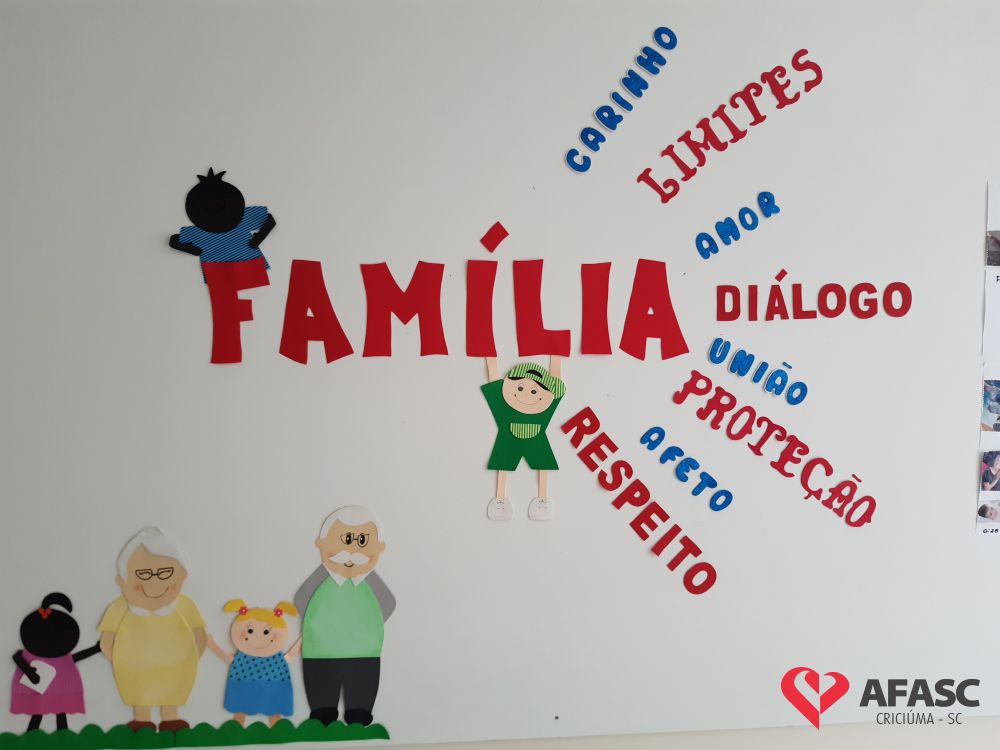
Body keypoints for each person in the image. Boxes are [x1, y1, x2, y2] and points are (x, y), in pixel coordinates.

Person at [288, 506, 395, 728]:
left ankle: (359, 711)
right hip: (323, 647)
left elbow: (387, 603)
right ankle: (323, 710)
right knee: (322, 681)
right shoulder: (321, 578)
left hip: (362, 648)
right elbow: (302, 599)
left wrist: (364, 627)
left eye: (362, 541)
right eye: (344, 540)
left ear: (379, 547)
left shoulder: (370, 581)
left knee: (362, 682)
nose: (351, 549)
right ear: (321, 543)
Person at [97, 527, 206, 732]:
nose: (155, 580)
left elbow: (200, 635)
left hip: (176, 668)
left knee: (172, 690)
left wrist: (190, 657)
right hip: (135, 670)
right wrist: (121, 660)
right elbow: (106, 639)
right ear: (123, 580)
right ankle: (142, 719)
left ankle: (170, 718)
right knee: (140, 692)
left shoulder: (184, 605)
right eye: (143, 574)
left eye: (165, 572)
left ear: (182, 575)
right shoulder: (121, 607)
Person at [481, 356, 566, 521]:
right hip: (508, 440)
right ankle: (500, 500)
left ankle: (542, 500)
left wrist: (556, 358)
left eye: (534, 391)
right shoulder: (503, 403)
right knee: (504, 463)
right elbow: (494, 386)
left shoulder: (547, 405)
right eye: (520, 387)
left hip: (536, 441)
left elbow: (558, 387)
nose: (526, 394)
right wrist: (489, 357)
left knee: (541, 463)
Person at [10, 593, 101, 732]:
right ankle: (35, 735)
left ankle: (57, 736)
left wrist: (96, 649)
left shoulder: (61, 658)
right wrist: (29, 672)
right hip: (46, 689)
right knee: (40, 709)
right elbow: (17, 657)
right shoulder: (33, 655)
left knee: (58, 709)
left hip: (58, 688)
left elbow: (78, 656)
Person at [168, 168, 276, 280]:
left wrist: (259, 239)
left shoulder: (244, 217)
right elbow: (174, 241)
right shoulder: (197, 232)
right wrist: (256, 240)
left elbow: (269, 220)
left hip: (245, 265)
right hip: (220, 272)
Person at [207, 599, 297, 727]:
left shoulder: (275, 658)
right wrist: (211, 644)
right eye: (250, 630)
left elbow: (291, 655)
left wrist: (305, 640)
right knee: (242, 710)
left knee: (273, 710)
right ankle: (237, 730)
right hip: (244, 685)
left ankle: (275, 731)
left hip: (272, 686)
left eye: (266, 631)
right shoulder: (242, 657)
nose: (257, 637)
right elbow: (291, 655)